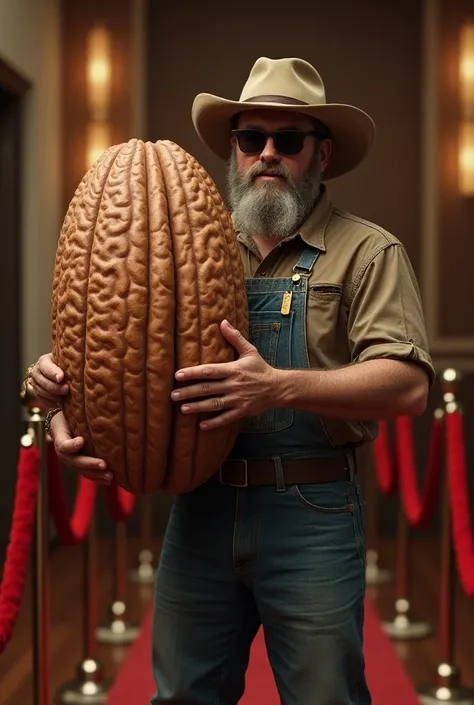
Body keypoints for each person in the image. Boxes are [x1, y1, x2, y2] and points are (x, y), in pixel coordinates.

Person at [29, 57, 435, 705]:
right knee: (184, 692)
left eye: (289, 140)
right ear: (234, 151)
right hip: (200, 510)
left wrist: (274, 385)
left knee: (324, 695)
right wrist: (56, 408)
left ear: (321, 154)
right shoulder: (185, 247)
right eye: (252, 139)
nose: (268, 154)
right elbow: (104, 357)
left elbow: (409, 385)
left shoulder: (368, 252)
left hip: (312, 514)